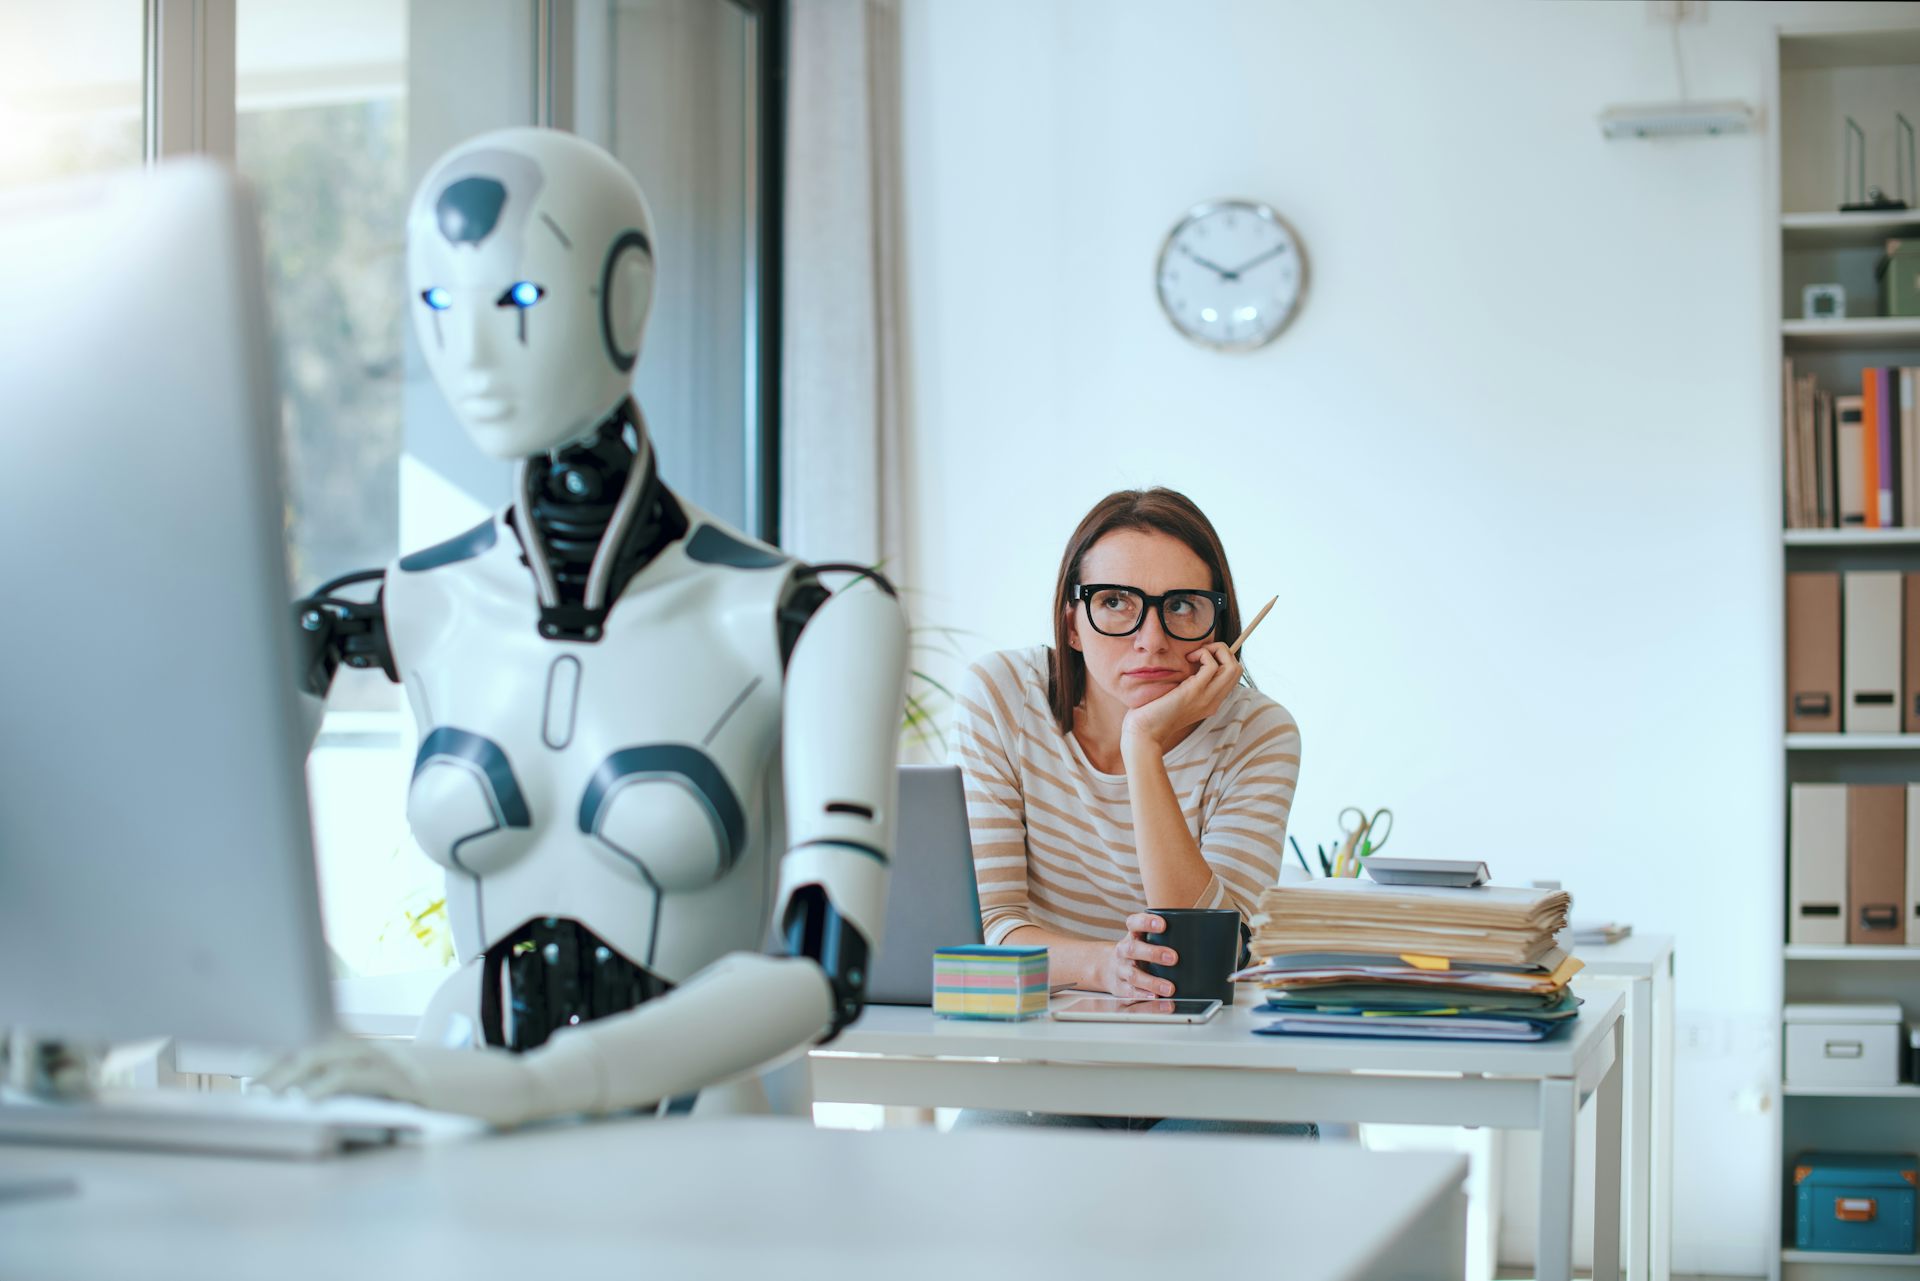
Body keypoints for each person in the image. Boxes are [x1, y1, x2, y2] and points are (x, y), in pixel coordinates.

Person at [951, 487, 1309, 1136]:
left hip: (1218, 1073)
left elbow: (1210, 960)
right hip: (1055, 1065)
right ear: (1071, 623)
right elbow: (995, 927)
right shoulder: (1002, 698)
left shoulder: (1260, 733)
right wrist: (1104, 967)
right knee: (983, 1177)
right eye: (1115, 602)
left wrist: (1142, 747)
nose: (1152, 639)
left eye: (1181, 607)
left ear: (1218, 625)